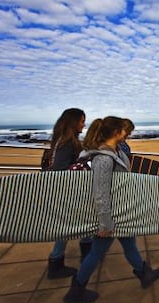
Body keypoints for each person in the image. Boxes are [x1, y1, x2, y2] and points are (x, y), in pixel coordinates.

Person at [63, 116, 159, 303]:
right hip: (110, 217)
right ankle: (76, 290)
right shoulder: (103, 158)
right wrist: (105, 222)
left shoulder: (114, 152)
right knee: (96, 252)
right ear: (117, 132)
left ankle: (144, 274)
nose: (127, 133)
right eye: (124, 131)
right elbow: (100, 193)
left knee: (129, 243)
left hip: (119, 213)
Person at [47, 108, 92, 279]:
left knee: (77, 225)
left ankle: (64, 261)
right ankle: (57, 264)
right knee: (71, 227)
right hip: (68, 193)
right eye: (81, 121)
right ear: (73, 122)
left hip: (67, 192)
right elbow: (60, 170)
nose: (83, 124)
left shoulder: (61, 140)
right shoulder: (67, 142)